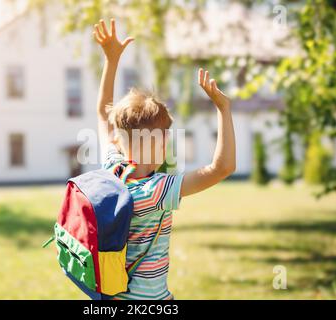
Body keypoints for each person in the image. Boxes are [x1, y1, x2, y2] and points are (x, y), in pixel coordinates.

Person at [93, 18, 236, 300]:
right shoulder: (157, 190)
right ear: (160, 145)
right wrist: (223, 108)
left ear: (117, 140)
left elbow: (101, 114)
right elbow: (223, 168)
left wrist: (111, 60)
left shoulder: (112, 168)